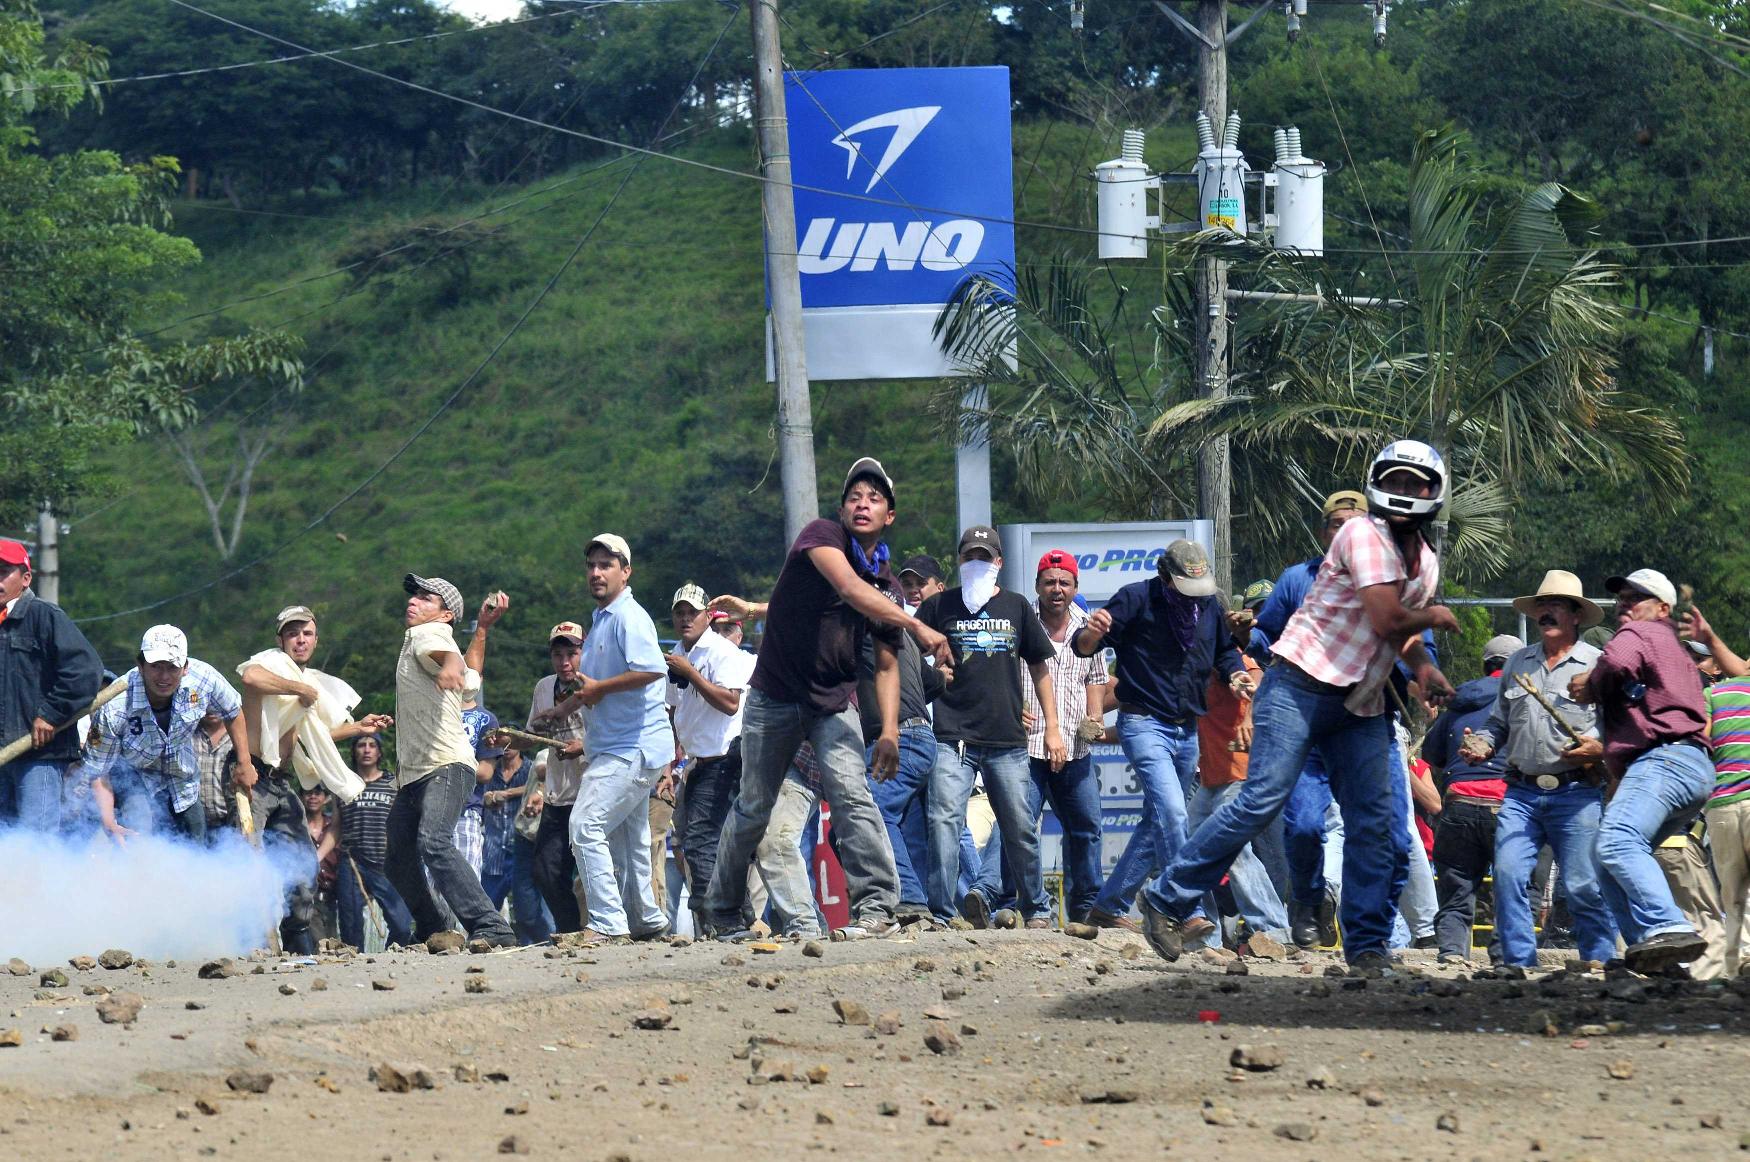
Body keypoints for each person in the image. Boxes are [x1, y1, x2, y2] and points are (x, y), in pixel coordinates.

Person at [1132, 441, 1458, 970]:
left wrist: (1424, 668)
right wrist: (1434, 618)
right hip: (1298, 688)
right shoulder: (1359, 533)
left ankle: (1369, 946)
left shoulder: (1425, 563)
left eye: (1414, 485)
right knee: (1261, 799)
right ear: (1378, 484)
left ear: (1433, 493)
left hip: (1362, 703)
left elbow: (1402, 634)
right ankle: (1167, 899)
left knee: (1379, 824)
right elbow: (1388, 617)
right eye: (1394, 481)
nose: (1402, 493)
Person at [703, 456, 953, 942]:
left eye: (875, 498)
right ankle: (723, 908)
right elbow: (846, 588)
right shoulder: (821, 536)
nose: (863, 504)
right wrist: (917, 623)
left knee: (854, 796)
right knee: (755, 807)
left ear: (889, 516)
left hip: (832, 704)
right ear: (841, 510)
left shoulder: (887, 584)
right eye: (855, 496)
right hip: (774, 696)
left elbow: (885, 665)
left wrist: (889, 731)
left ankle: (878, 906)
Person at [1073, 539, 1249, 936]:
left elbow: (1225, 651)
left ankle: (1109, 904)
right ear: (1166, 577)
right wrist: (1090, 633)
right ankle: (1182, 911)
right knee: (1173, 812)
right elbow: (1085, 649)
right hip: (1143, 723)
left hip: (1188, 728)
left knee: (1157, 822)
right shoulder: (1135, 599)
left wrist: (1236, 673)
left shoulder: (1208, 607)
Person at [917, 525, 1066, 930]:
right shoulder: (936, 608)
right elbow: (907, 658)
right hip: (952, 736)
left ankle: (1036, 908)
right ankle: (941, 913)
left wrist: (1052, 727)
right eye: (970, 556)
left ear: (998, 563)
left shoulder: (1017, 606)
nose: (977, 563)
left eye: (985, 557)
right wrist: (933, 679)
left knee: (1019, 827)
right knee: (943, 821)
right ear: (959, 561)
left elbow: (1040, 667)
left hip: (1006, 739)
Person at [1567, 568, 1713, 974]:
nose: (1624, 605)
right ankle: (1654, 957)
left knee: (1616, 841)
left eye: (1636, 597)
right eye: (1621, 598)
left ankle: (1668, 926)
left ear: (1662, 608)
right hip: (1690, 766)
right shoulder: (1677, 651)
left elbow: (1614, 662)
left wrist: (1591, 685)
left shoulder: (1641, 633)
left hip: (1663, 760)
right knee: (1604, 857)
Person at [239, 604, 394, 954]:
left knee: (305, 865)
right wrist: (298, 689)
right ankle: (244, 944)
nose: (300, 639)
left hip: (279, 782)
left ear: (316, 639)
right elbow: (250, 678)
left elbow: (314, 735)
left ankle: (296, 939)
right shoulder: (272, 665)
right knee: (247, 862)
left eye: (306, 633)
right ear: (280, 639)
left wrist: (357, 727)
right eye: (292, 633)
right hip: (249, 778)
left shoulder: (306, 682)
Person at [546, 534, 673, 946]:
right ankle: (646, 919)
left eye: (606, 565)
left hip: (632, 747)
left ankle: (607, 923)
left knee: (585, 825)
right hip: (617, 746)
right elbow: (596, 685)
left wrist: (599, 691)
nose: (596, 572)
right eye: (591, 565)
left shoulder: (629, 616)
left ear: (626, 571)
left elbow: (652, 670)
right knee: (629, 839)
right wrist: (566, 708)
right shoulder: (602, 618)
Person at [385, 576, 519, 948]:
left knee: (433, 841)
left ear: (445, 616)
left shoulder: (425, 635)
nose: (414, 601)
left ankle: (492, 925)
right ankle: (433, 925)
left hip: (445, 764)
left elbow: (451, 658)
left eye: (426, 598)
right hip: (416, 772)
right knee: (397, 856)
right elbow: (472, 676)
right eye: (414, 594)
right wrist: (483, 630)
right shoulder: (433, 638)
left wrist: (450, 664)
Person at [1184, 583, 1289, 948]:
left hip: (1237, 771)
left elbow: (1255, 677)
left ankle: (1273, 926)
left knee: (1232, 849)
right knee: (1191, 848)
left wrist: (1250, 719)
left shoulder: (1229, 654)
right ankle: (1205, 934)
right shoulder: (1195, 655)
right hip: (1213, 774)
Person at [86, 625, 254, 844]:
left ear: (185, 667)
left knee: (195, 845)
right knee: (140, 836)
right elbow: (97, 769)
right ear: (141, 666)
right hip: (134, 776)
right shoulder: (114, 706)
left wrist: (244, 762)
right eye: (156, 666)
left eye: (172, 668)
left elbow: (232, 711)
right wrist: (109, 821)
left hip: (182, 776)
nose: (164, 677)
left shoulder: (203, 680)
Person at [1421, 634, 1521, 965]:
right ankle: (1504, 958)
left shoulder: (1458, 704)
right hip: (1507, 806)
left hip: (1458, 802)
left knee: (1457, 884)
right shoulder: (1523, 700)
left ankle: (1451, 953)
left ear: (1484, 665)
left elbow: (1432, 756)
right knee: (1514, 885)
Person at [665, 582, 756, 935]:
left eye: (693, 612)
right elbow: (674, 708)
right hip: (697, 761)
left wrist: (691, 674)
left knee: (700, 843)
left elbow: (730, 702)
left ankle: (720, 922)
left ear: (706, 616)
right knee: (714, 843)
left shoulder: (720, 652)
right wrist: (672, 761)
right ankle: (741, 917)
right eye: (680, 613)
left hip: (725, 758)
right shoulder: (677, 651)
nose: (686, 618)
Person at [1023, 549, 1109, 924]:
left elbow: (1096, 680)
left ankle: (1086, 907)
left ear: (1075, 586)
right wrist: (1011, 708)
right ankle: (1023, 905)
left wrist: (1095, 718)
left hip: (1075, 748)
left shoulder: (1087, 627)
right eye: (1049, 582)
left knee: (1087, 828)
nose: (1056, 589)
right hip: (1026, 745)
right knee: (1022, 829)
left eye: (1064, 582)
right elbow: (1000, 676)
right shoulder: (1020, 621)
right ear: (1037, 585)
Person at [0, 538, 102, 832]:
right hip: (3, 756)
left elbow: (85, 671)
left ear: (26, 577)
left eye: (4, 571)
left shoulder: (44, 616)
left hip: (39, 756)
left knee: (36, 841)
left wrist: (51, 714)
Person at [1680, 606, 1750, 976]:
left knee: (1732, 893)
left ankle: (1735, 966)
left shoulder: (1716, 694)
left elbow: (1701, 740)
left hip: (1722, 805)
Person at [524, 622, 588, 934]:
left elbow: (618, 733)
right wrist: (512, 739)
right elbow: (533, 735)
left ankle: (608, 928)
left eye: (572, 653)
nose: (565, 661)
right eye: (558, 654)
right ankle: (569, 931)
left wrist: (584, 746)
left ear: (584, 653)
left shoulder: (598, 686)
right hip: (557, 793)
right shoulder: (543, 688)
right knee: (545, 870)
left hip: (593, 791)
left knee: (595, 869)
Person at [336, 734, 414, 950]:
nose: (367, 750)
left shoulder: (393, 783)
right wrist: (316, 858)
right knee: (350, 928)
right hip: (351, 863)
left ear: (379, 752)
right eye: (361, 745)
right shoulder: (344, 785)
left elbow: (405, 823)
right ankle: (353, 970)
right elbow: (335, 827)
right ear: (354, 751)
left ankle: (391, 960)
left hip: (386, 863)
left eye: (372, 745)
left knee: (402, 926)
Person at [479, 740, 549, 944]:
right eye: (502, 742)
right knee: (489, 909)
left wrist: (508, 793)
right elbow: (477, 796)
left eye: (512, 741)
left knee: (531, 908)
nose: (507, 746)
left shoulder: (531, 767)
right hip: (494, 849)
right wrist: (489, 798)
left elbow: (541, 778)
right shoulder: (490, 768)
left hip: (527, 840)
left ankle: (539, 946)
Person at [303, 784, 340, 942]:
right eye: (308, 793)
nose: (313, 797)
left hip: (334, 897)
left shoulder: (335, 827)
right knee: (318, 943)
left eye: (317, 793)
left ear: (326, 798)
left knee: (334, 941)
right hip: (308, 898)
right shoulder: (296, 827)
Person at [194, 712, 236, 838]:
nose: (211, 708)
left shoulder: (241, 737)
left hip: (232, 825)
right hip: (194, 825)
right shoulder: (187, 732)